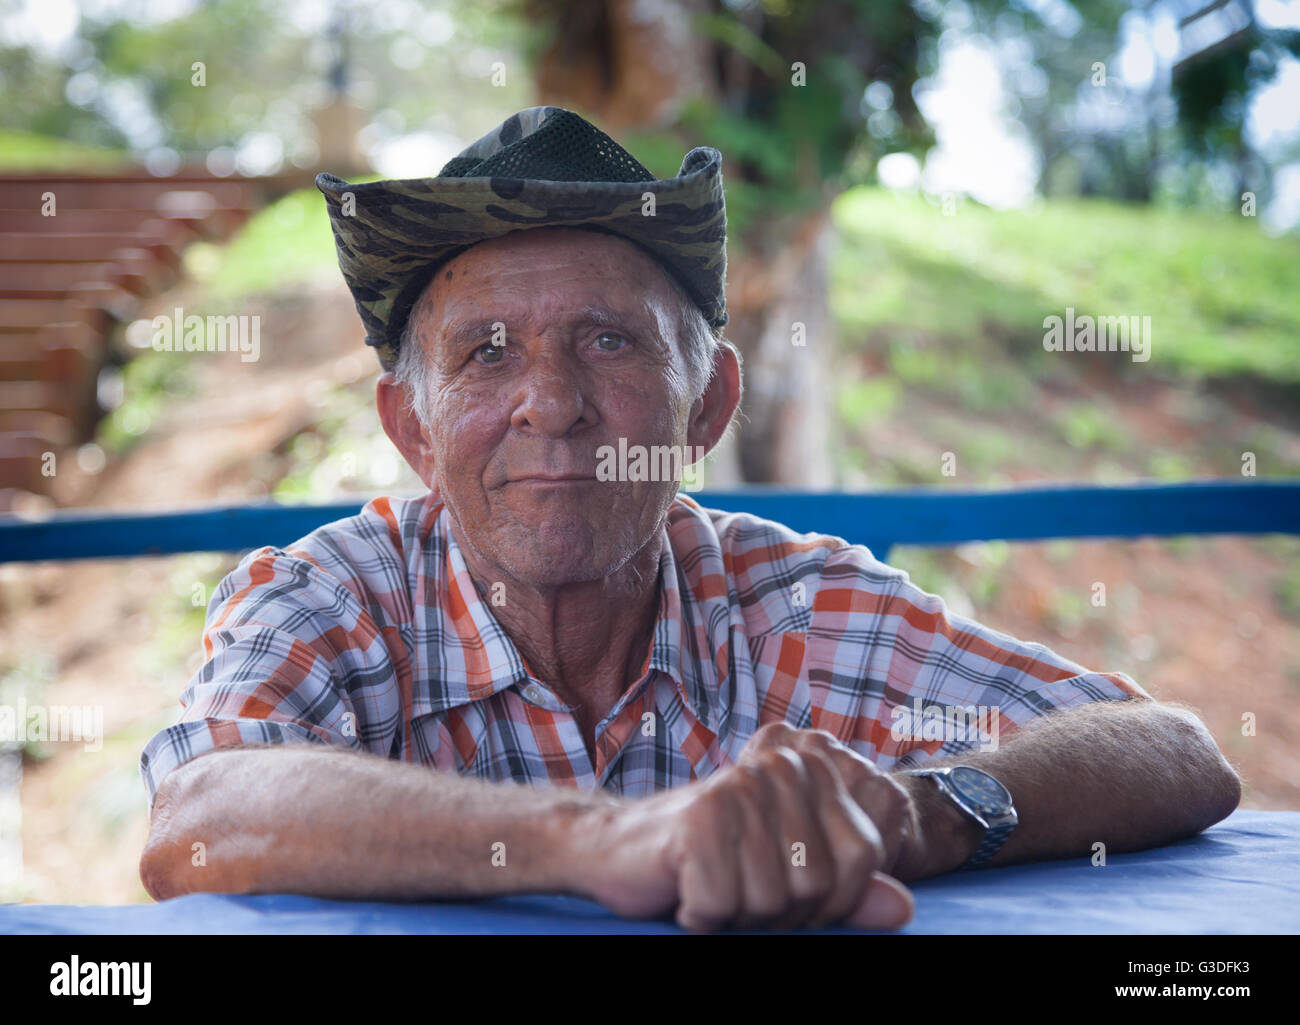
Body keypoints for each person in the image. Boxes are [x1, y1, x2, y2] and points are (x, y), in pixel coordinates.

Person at [138, 107, 1240, 932]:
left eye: (609, 340)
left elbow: (1172, 751)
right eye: (485, 353)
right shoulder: (335, 596)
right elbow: (200, 811)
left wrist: (912, 813)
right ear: (412, 428)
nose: (551, 403)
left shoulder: (792, 603)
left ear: (704, 406)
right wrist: (609, 839)